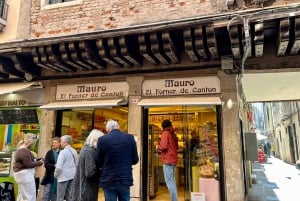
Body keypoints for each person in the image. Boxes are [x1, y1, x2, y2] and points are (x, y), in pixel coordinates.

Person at [96, 119, 139, 201]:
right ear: (118, 127)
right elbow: (135, 159)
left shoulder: (102, 140)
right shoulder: (130, 138)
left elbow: (98, 160)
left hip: (108, 179)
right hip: (125, 177)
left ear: (108, 129)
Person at [72, 129, 104, 201]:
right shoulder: (90, 152)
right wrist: (101, 170)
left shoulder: (86, 149)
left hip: (83, 190)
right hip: (86, 191)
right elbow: (90, 172)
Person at [13, 133, 44, 201]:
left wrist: (36, 160)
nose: (34, 145)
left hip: (21, 176)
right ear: (31, 142)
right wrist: (40, 162)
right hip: (25, 176)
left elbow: (27, 161)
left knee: (22, 195)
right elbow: (29, 164)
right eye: (34, 143)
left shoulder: (21, 149)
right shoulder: (24, 151)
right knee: (30, 196)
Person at [156, 119, 178, 201]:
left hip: (168, 160)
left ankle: (174, 200)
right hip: (173, 159)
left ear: (163, 126)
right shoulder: (173, 134)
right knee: (172, 181)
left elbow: (163, 146)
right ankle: (174, 199)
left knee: (169, 182)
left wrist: (157, 147)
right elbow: (176, 146)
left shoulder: (165, 133)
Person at [54, 135, 78, 201]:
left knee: (60, 197)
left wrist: (55, 175)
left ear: (65, 142)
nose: (60, 143)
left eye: (61, 141)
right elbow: (77, 164)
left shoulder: (63, 152)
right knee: (69, 196)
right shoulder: (74, 151)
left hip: (63, 177)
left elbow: (59, 167)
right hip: (72, 176)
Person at [41, 137, 61, 201]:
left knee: (57, 194)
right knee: (46, 194)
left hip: (59, 177)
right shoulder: (49, 153)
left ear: (59, 143)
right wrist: (54, 165)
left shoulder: (62, 153)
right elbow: (46, 164)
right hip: (50, 176)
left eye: (55, 143)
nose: (53, 144)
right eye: (53, 143)